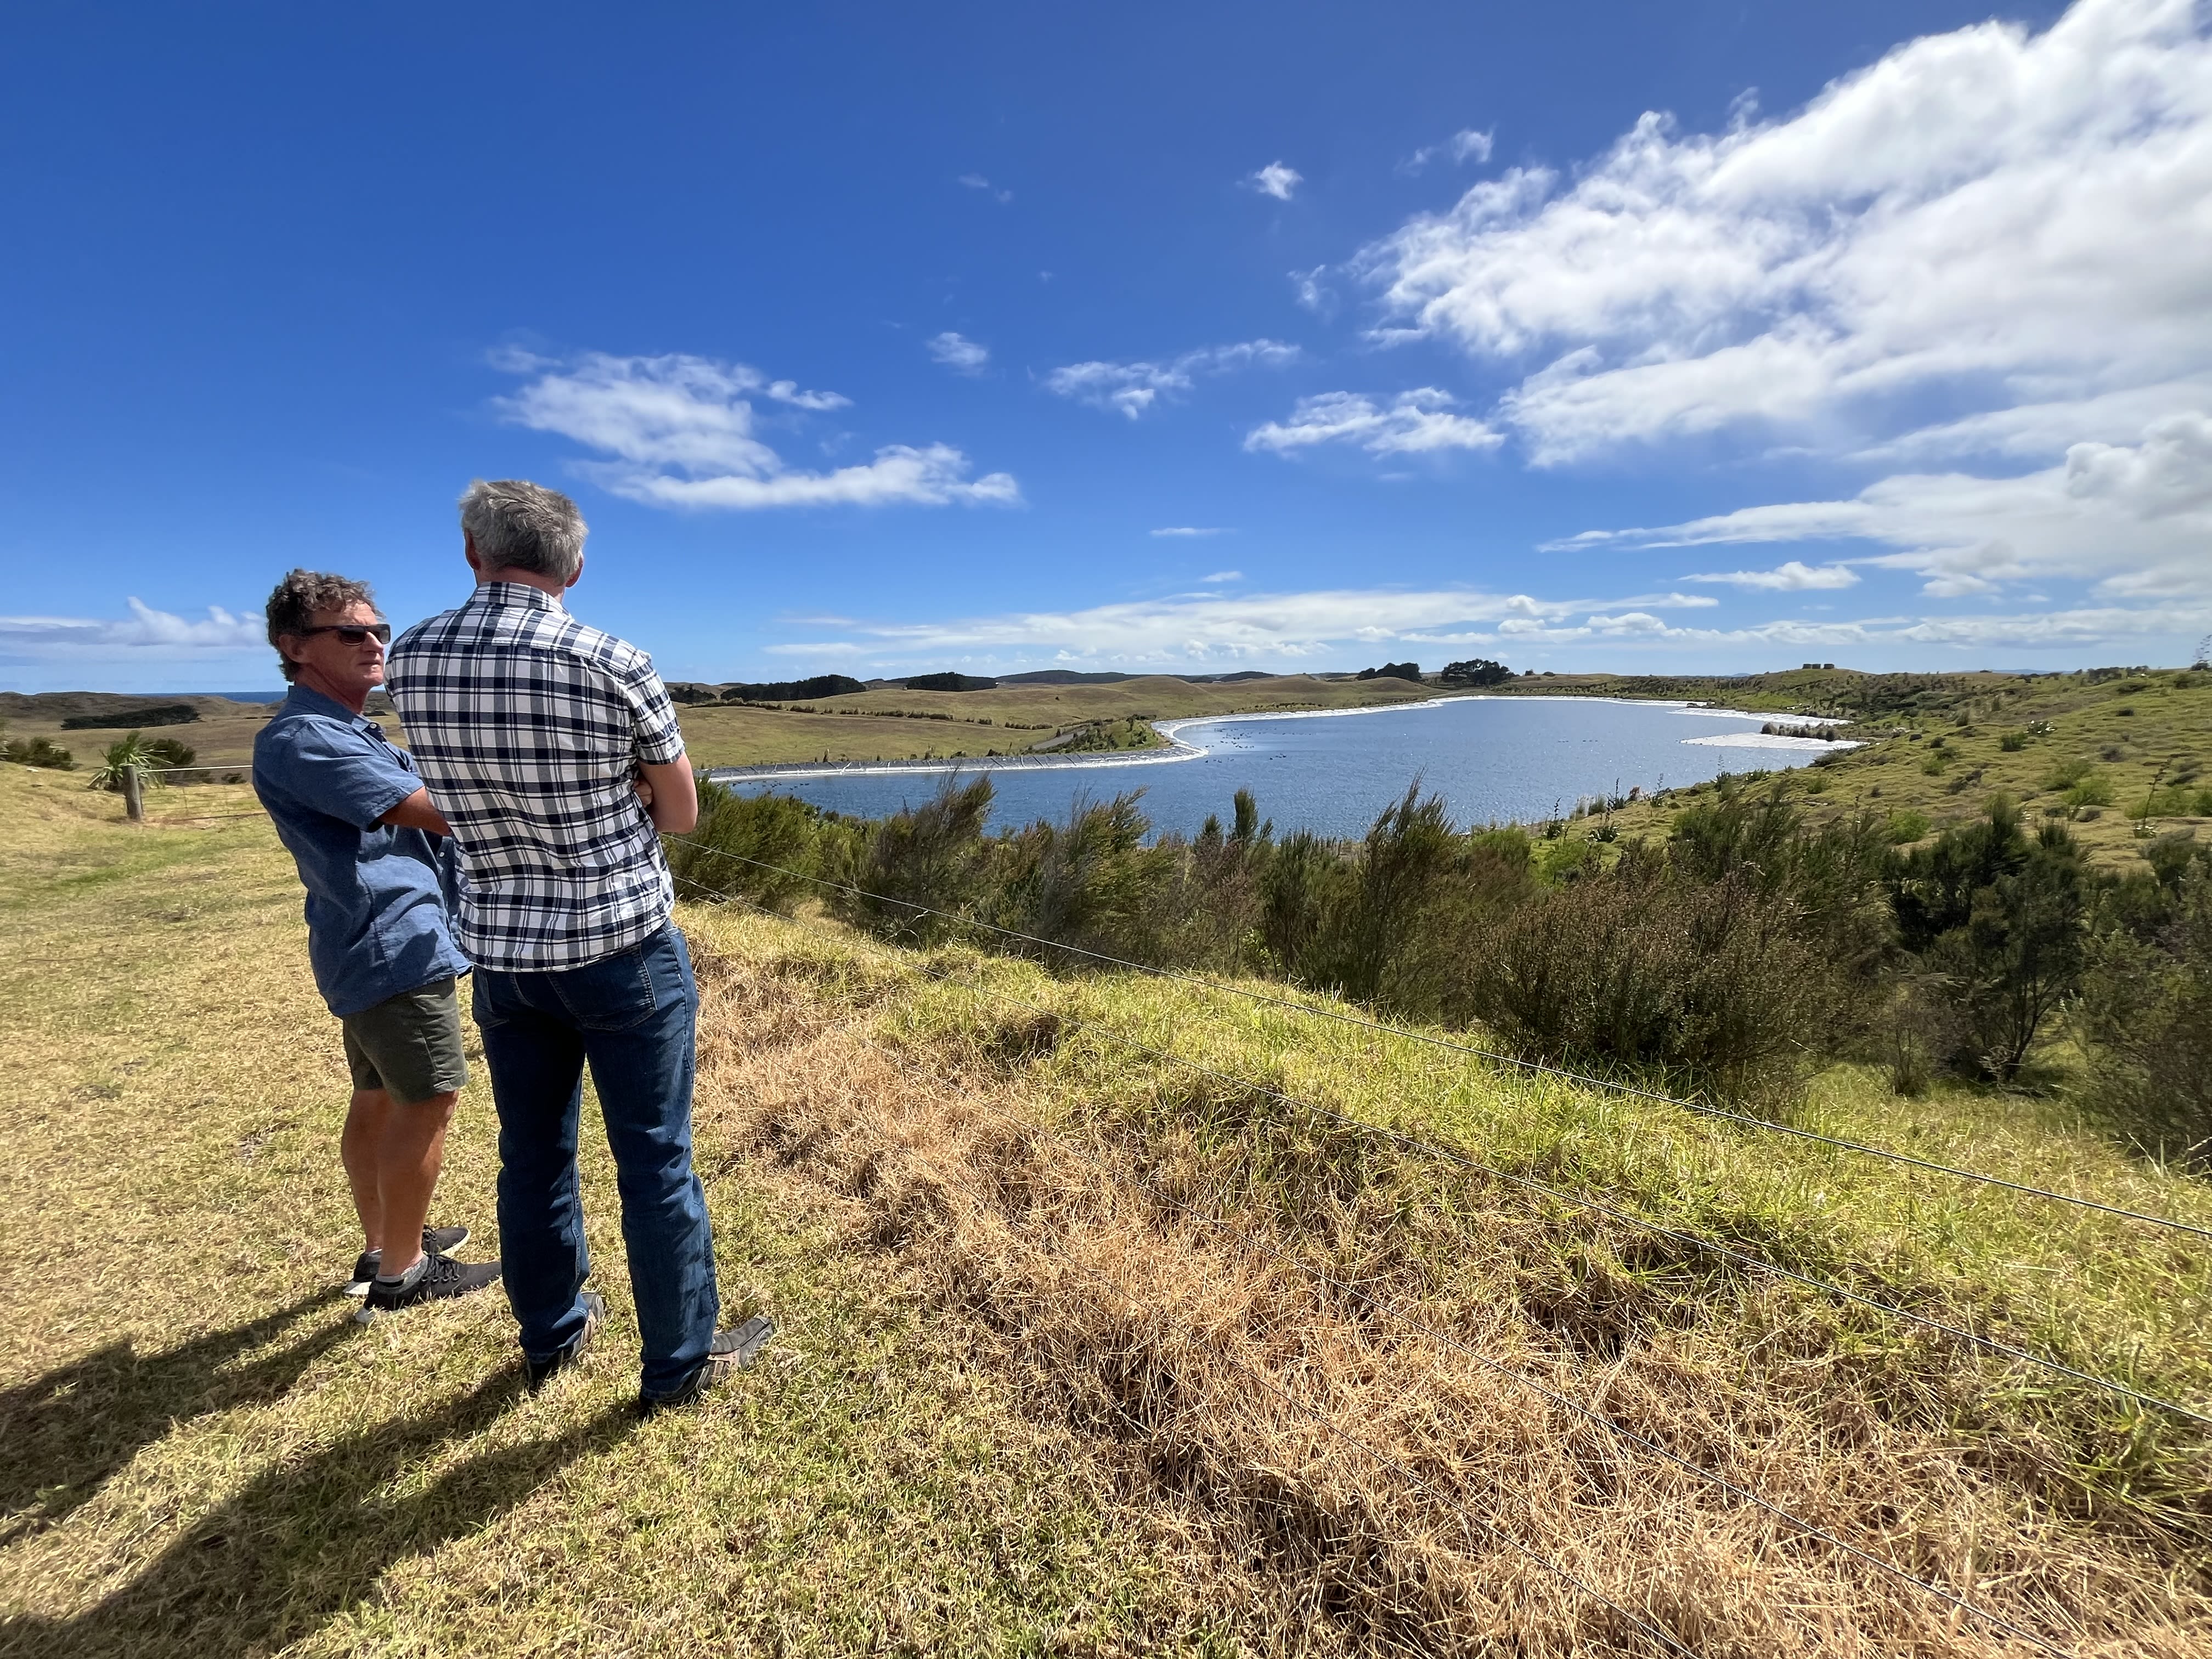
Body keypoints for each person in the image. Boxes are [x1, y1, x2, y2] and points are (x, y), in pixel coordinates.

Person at [386, 479, 772, 1410]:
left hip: (507, 958)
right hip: (622, 947)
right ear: (576, 567)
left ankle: (551, 1337)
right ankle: (679, 1363)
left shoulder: (415, 656)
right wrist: (625, 798)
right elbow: (680, 813)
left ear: (473, 554)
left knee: (532, 1154)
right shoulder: (612, 660)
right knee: (655, 1161)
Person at [253, 570, 502, 1314]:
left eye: (377, 630)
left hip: (368, 942)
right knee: (429, 1098)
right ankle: (402, 1275)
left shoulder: (342, 728)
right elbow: (434, 812)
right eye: (349, 632)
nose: (373, 643)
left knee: (378, 1097)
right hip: (393, 946)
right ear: (294, 647)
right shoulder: (308, 739)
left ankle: (385, 1243)